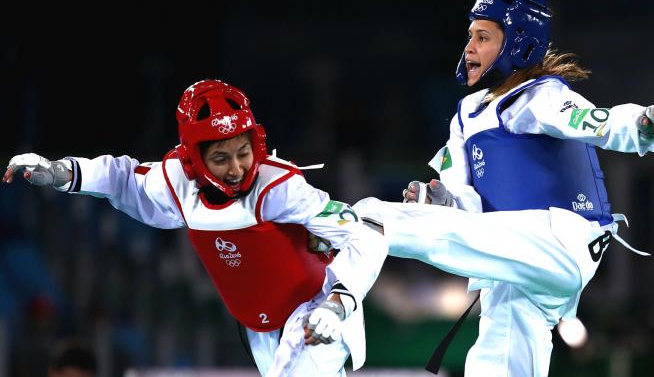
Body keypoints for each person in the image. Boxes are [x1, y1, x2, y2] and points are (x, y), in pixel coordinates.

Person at [350, 0, 654, 376]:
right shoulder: (466, 116)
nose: (470, 47)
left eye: (483, 37)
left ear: (518, 44)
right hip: (517, 264)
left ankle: (338, 268)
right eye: (470, 35)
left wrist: (640, 124)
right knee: (499, 361)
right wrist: (440, 200)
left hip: (558, 241)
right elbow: (464, 207)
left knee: (374, 217)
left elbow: (596, 122)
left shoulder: (540, 97)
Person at [3, 79, 388, 376]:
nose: (237, 168)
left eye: (243, 152)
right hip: (258, 327)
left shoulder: (280, 188)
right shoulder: (177, 185)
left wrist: (338, 305)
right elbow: (122, 179)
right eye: (221, 158)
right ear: (194, 158)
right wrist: (59, 172)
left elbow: (366, 235)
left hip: (318, 310)